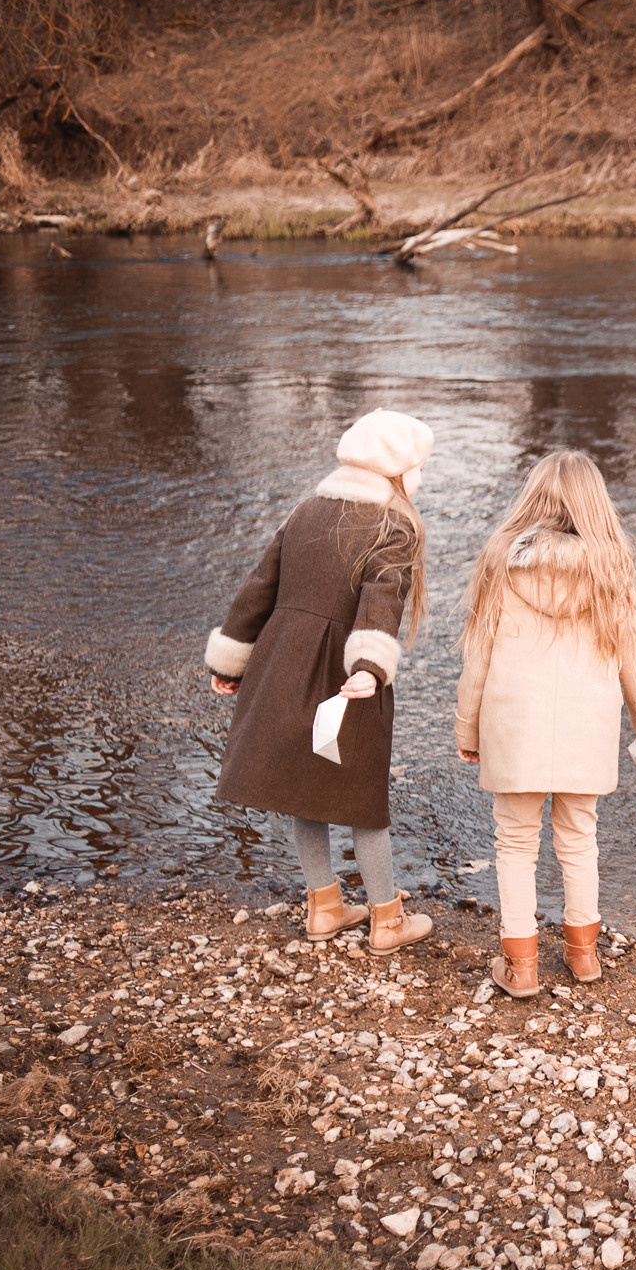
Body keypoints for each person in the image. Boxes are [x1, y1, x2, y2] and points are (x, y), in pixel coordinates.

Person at [206, 408, 436, 956]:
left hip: (281, 664)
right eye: (419, 468)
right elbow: (382, 599)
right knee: (361, 794)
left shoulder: (305, 510)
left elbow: (258, 587)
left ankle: (325, 906)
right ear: (400, 470)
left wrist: (230, 663)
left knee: (304, 786)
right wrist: (369, 667)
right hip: (343, 672)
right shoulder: (393, 525)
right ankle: (386, 919)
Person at [455, 450, 636, 993]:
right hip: (586, 727)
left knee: (514, 843)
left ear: (534, 498)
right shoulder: (611, 567)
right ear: (596, 504)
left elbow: (478, 656)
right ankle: (583, 955)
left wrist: (467, 729)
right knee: (579, 839)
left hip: (513, 725)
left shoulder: (501, 561)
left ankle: (520, 967)